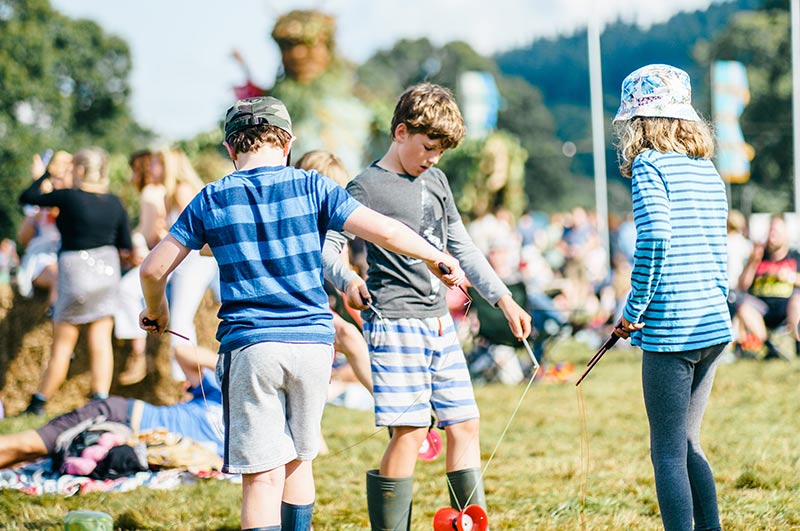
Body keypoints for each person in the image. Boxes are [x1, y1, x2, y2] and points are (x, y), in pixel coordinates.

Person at [138, 95, 465, 531]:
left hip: (252, 348)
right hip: (313, 345)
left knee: (261, 478)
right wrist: (433, 256)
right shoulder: (314, 187)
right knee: (298, 461)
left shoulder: (212, 197)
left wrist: (157, 311)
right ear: (287, 143)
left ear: (230, 149)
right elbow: (386, 229)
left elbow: (152, 267)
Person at [322, 82, 531, 530]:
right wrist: (347, 279)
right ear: (401, 132)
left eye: (441, 151)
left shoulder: (436, 180)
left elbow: (462, 246)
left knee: (465, 424)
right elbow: (328, 248)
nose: (433, 158)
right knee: (411, 432)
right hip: (394, 323)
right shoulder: (365, 186)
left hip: (440, 325)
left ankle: (468, 523)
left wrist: (504, 298)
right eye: (428, 147)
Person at [611, 64, 732, 531]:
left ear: (639, 123)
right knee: (688, 442)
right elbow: (718, 249)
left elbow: (655, 238)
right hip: (712, 324)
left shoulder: (648, 165)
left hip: (671, 330)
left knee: (665, 451)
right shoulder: (707, 171)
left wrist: (633, 310)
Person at [19, 147, 133, 416]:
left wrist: (45, 173)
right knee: (101, 340)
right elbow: (125, 245)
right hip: (107, 272)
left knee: (63, 344)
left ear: (80, 170)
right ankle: (101, 400)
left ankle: (39, 402)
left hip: (75, 272)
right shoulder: (115, 202)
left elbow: (28, 197)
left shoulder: (69, 197)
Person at [0, 345, 223, 469]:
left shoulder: (245, 443)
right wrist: (228, 367)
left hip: (123, 444)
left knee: (26, 457)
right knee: (30, 445)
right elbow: (182, 351)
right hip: (117, 416)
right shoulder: (219, 393)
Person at [117, 148, 219, 384]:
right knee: (135, 293)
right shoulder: (169, 195)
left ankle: (195, 381)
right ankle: (185, 380)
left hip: (193, 264)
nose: (150, 169)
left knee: (181, 323)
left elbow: (196, 235)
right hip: (181, 264)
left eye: (155, 164)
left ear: (168, 166)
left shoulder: (183, 190)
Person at [736, 214, 800, 358]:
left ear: (786, 234)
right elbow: (742, 286)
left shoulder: (795, 256)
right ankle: (769, 346)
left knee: (798, 301)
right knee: (742, 304)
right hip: (762, 308)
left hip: (786, 306)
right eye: (771, 231)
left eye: (777, 231)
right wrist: (753, 262)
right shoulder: (759, 257)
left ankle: (798, 344)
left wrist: (790, 277)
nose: (773, 235)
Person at [15, 150, 73, 307]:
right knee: (59, 276)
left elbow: (60, 212)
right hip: (43, 258)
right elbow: (23, 239)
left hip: (69, 256)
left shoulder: (74, 199)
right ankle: (57, 318)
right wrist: (37, 211)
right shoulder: (39, 201)